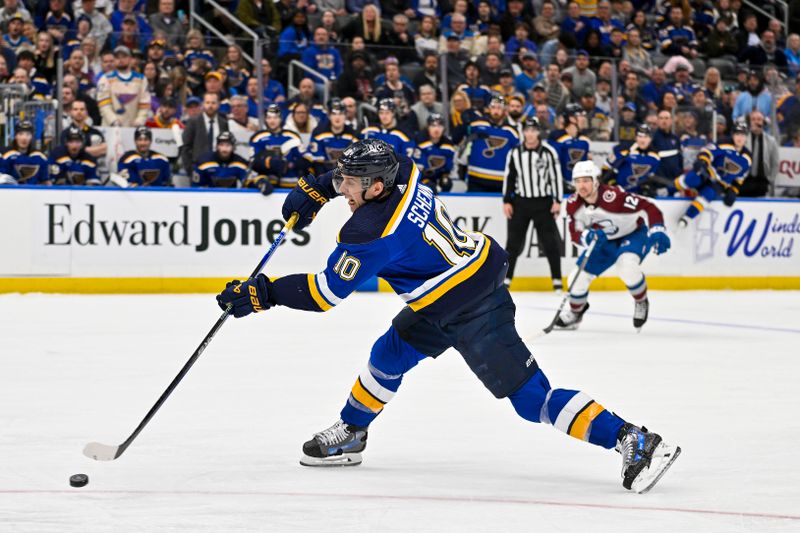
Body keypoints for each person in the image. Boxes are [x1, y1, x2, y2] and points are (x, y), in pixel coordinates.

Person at [214, 139, 681, 494]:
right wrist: (320, 187)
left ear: (377, 188)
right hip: (446, 290)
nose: (347, 190)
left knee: (530, 400)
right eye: (344, 182)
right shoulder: (405, 168)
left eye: (352, 186)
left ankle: (633, 439)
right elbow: (375, 161)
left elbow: (324, 294)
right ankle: (352, 432)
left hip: (473, 305)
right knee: (387, 355)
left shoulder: (372, 231)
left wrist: (263, 294)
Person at [557, 160, 671, 331]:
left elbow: (648, 207)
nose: (582, 185)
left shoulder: (615, 197)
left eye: (586, 180)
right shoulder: (574, 204)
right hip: (604, 241)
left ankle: (641, 300)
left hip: (633, 234)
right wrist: (588, 236)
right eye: (578, 181)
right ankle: (575, 313)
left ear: (596, 181)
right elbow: (575, 233)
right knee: (576, 277)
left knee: (626, 267)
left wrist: (657, 229)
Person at [502, 117, 563, 291]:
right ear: (523, 132)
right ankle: (506, 280)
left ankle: (557, 280)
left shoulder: (548, 152)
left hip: (543, 203)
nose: (530, 134)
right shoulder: (514, 153)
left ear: (538, 132)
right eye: (527, 130)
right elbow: (509, 177)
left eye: (533, 130)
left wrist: (557, 200)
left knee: (550, 243)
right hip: (521, 202)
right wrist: (507, 200)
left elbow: (555, 176)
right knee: (513, 243)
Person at [675, 122, 752, 227]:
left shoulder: (747, 158)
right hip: (707, 173)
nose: (740, 138)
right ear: (732, 135)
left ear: (746, 137)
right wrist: (703, 161)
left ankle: (687, 218)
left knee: (709, 194)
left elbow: (740, 177)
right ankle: (669, 190)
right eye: (737, 134)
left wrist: (733, 190)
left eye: (743, 135)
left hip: (720, 183)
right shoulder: (724, 143)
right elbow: (708, 151)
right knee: (692, 179)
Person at [464, 94, 520, 192]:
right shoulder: (477, 124)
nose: (496, 111)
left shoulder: (512, 132)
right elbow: (459, 137)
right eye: (493, 107)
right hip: (476, 178)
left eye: (499, 108)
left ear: (505, 111)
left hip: (501, 180)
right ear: (489, 109)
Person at [249, 104, 307, 191]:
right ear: (265, 119)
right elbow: (254, 162)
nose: (272, 121)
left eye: (275, 117)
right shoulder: (258, 137)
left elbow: (304, 161)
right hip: (267, 182)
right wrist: (269, 163)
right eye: (269, 117)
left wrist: (289, 165)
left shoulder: (293, 136)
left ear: (281, 119)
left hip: (291, 182)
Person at [97, 45, 150, 127]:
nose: (120, 60)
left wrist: (139, 121)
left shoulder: (141, 79)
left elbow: (145, 103)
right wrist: (113, 121)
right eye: (117, 57)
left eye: (124, 57)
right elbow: (103, 104)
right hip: (110, 127)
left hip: (134, 127)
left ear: (130, 59)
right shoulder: (105, 79)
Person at [602, 125, 662, 196]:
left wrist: (647, 187)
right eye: (640, 136)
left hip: (638, 196)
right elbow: (606, 167)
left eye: (646, 137)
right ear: (635, 137)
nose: (642, 140)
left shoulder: (655, 156)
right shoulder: (622, 149)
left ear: (651, 139)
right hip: (618, 194)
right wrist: (612, 183)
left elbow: (652, 176)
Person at [305, 99, 358, 176]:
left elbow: (355, 162)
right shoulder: (319, 132)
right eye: (334, 114)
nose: (337, 117)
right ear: (329, 116)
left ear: (345, 116)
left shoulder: (353, 134)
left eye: (341, 114)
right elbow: (316, 161)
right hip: (323, 175)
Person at [181, 92, 229, 176]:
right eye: (207, 102)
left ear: (218, 104)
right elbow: (186, 147)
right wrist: (190, 169)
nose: (210, 106)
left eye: (213, 103)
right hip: (198, 168)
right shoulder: (193, 121)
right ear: (203, 104)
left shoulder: (223, 123)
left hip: (218, 168)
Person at [548, 104, 591, 188]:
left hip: (579, 186)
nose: (584, 119)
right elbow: (552, 164)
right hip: (560, 186)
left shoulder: (584, 139)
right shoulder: (557, 137)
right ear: (571, 118)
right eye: (581, 115)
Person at [413, 113, 455, 192]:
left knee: (447, 183)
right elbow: (417, 168)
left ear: (444, 128)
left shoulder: (448, 145)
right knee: (430, 187)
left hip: (437, 177)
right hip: (421, 178)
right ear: (428, 127)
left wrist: (444, 176)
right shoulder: (419, 142)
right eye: (433, 126)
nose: (436, 129)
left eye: (439, 126)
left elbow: (448, 167)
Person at [742, 111, 779, 197]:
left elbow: (775, 163)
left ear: (763, 122)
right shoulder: (743, 138)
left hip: (762, 183)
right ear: (749, 122)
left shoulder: (771, 141)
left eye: (759, 119)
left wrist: (769, 180)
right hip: (745, 181)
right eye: (753, 119)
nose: (756, 122)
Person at [0, 120, 49, 185]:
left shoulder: (40, 157)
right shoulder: (6, 156)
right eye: (21, 134)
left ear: (32, 137)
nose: (24, 138)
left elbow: (46, 181)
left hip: (34, 193)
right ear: (15, 136)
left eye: (28, 134)